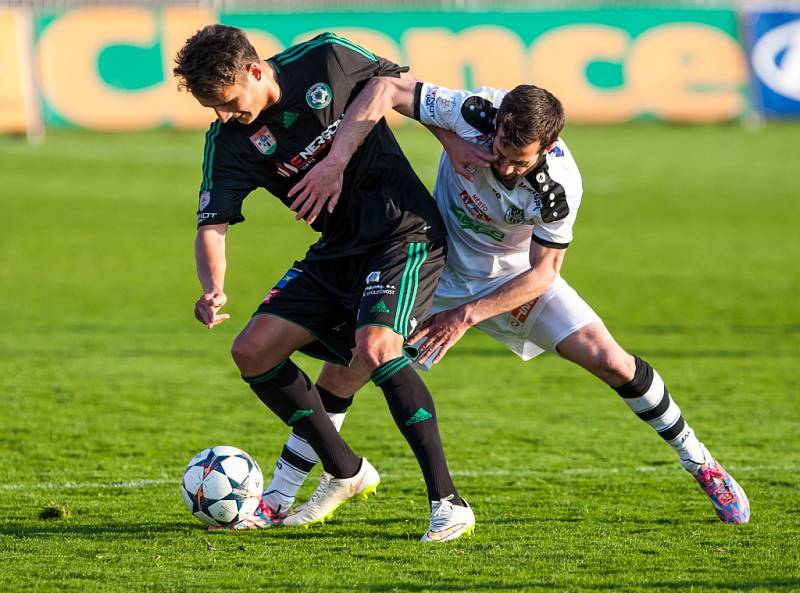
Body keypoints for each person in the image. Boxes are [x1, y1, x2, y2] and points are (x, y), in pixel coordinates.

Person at [265, 77, 750, 526]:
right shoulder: (472, 111)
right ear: (495, 125)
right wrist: (449, 140)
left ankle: (701, 462)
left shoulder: (558, 188)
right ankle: (281, 495)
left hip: (514, 280)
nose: (508, 167)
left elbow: (544, 274)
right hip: (438, 263)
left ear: (549, 147)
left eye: (522, 161)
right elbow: (385, 89)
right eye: (502, 151)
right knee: (348, 366)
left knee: (610, 360)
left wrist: (466, 316)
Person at [173, 25, 475, 542]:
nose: (224, 116)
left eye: (228, 103)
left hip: (403, 233)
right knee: (253, 350)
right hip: (335, 251)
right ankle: (348, 471)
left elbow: (404, 94)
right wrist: (212, 286)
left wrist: (455, 149)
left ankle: (448, 502)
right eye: (213, 109)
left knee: (377, 348)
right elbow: (212, 225)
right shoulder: (228, 142)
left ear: (254, 70)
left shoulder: (327, 58)